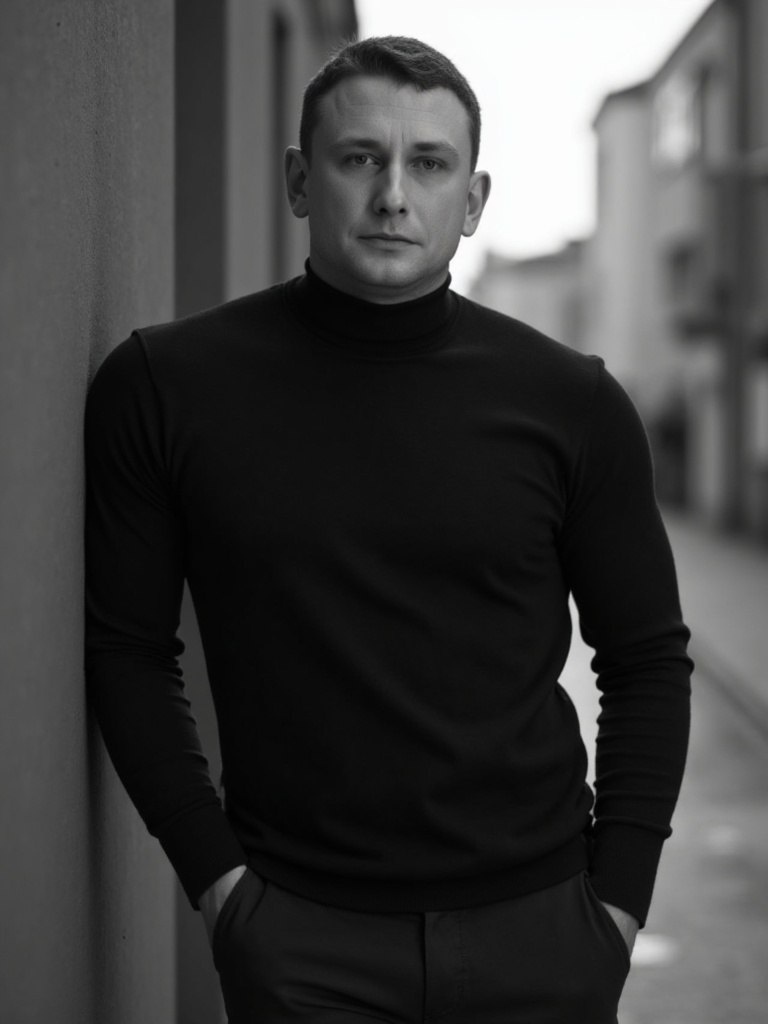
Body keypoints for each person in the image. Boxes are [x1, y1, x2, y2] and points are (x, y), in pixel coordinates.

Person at [85, 35, 692, 1024]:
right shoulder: (167, 389)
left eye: (430, 163)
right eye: (360, 157)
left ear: (474, 200)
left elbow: (646, 659)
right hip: (301, 940)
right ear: (299, 180)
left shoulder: (571, 404)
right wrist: (222, 890)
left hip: (541, 931)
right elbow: (127, 651)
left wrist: (614, 910)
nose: (394, 195)